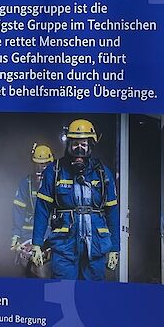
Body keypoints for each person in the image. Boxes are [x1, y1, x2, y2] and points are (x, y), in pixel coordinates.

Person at [30, 119, 120, 281]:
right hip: (65, 247)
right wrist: (36, 243)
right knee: (62, 292)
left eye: (83, 144)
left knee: (93, 296)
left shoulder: (103, 173)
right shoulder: (55, 171)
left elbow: (112, 212)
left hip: (96, 247)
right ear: (68, 144)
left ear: (91, 145)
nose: (79, 148)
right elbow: (42, 209)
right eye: (75, 144)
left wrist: (115, 247)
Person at [11, 142, 54, 268]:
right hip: (28, 234)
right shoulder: (26, 184)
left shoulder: (57, 184)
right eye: (37, 165)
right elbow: (18, 211)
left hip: (49, 235)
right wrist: (16, 236)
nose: (40, 170)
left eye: (44, 166)